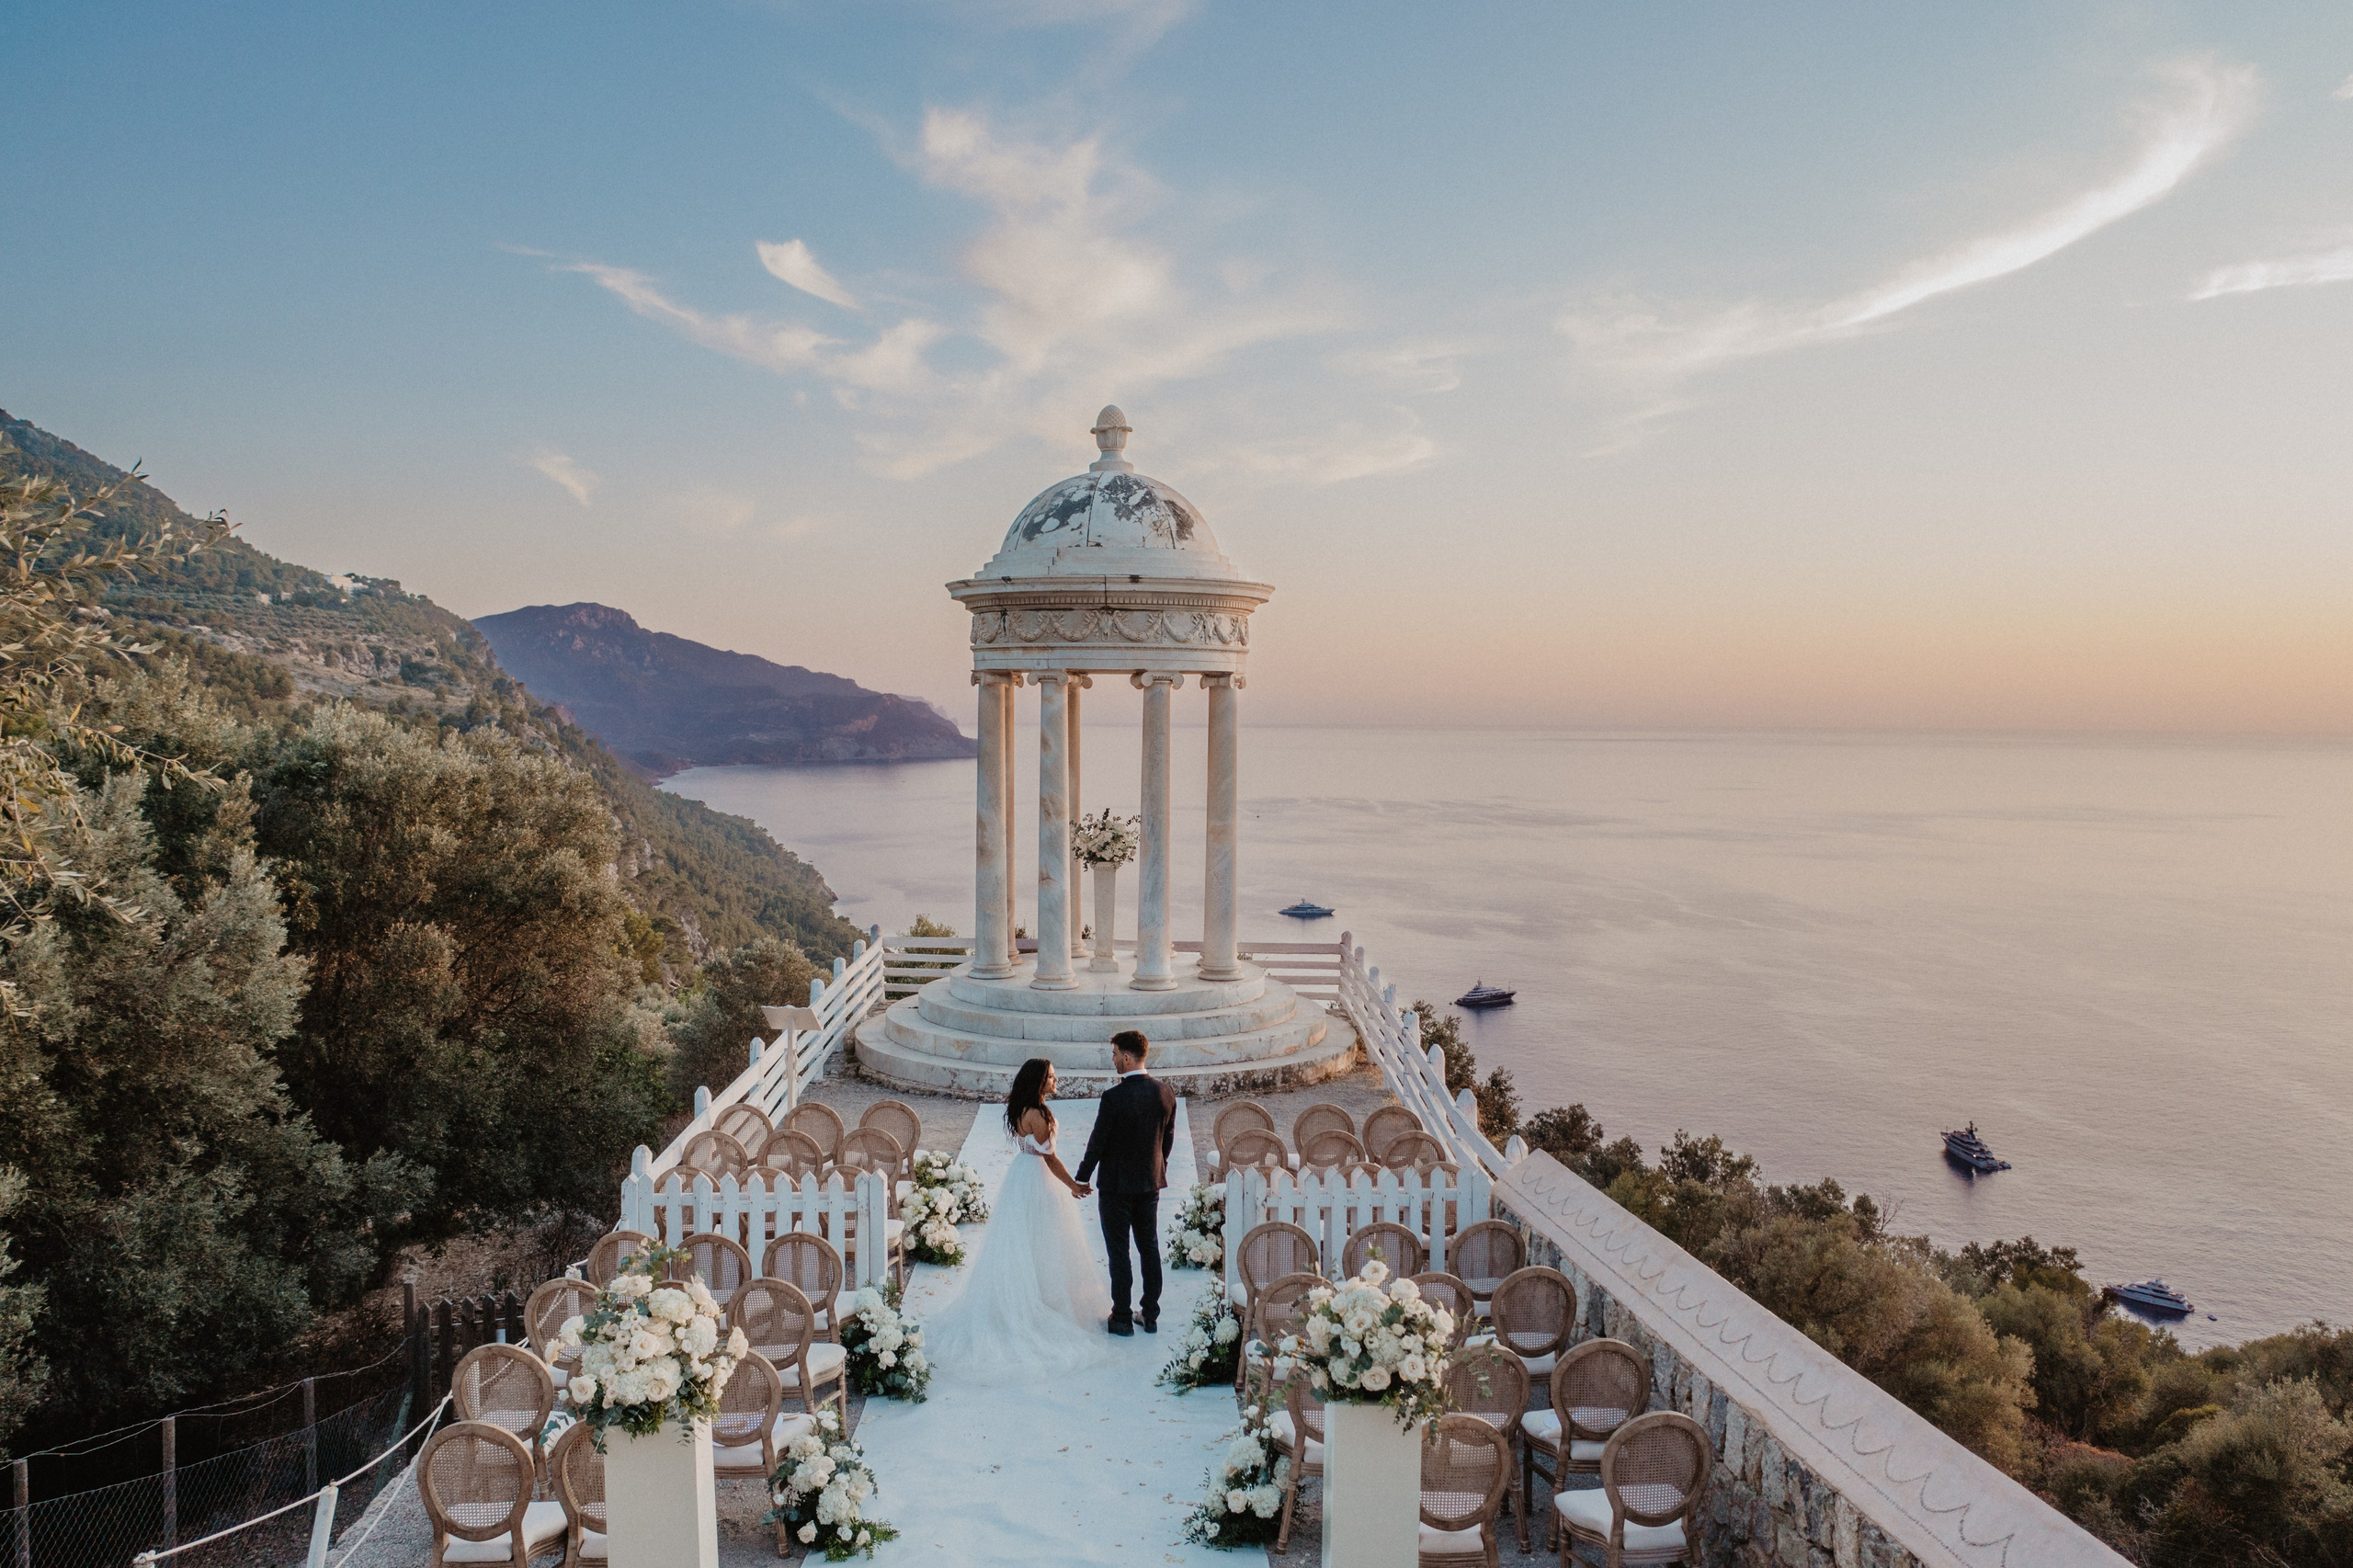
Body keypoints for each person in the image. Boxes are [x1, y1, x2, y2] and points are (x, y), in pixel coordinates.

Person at [919, 1057, 1114, 1379]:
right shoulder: (1039, 1114)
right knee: (1045, 1239)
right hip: (1037, 1177)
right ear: (1039, 1081)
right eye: (1051, 1077)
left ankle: (1039, 1294)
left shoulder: (1022, 1109)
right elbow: (1050, 1159)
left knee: (1025, 1239)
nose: (1056, 1080)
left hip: (1021, 1174)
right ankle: (1045, 1302)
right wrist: (1074, 1185)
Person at [1074, 1030, 1177, 1335]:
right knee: (1149, 1247)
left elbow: (1098, 1142)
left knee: (1119, 1252)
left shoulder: (1113, 1097)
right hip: (1150, 1184)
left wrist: (1082, 1177)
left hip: (1116, 1187)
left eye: (1116, 1054)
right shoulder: (1165, 1092)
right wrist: (1157, 1168)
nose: (1113, 1059)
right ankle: (1150, 1314)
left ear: (1128, 1057)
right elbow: (1167, 1140)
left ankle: (1121, 1316)